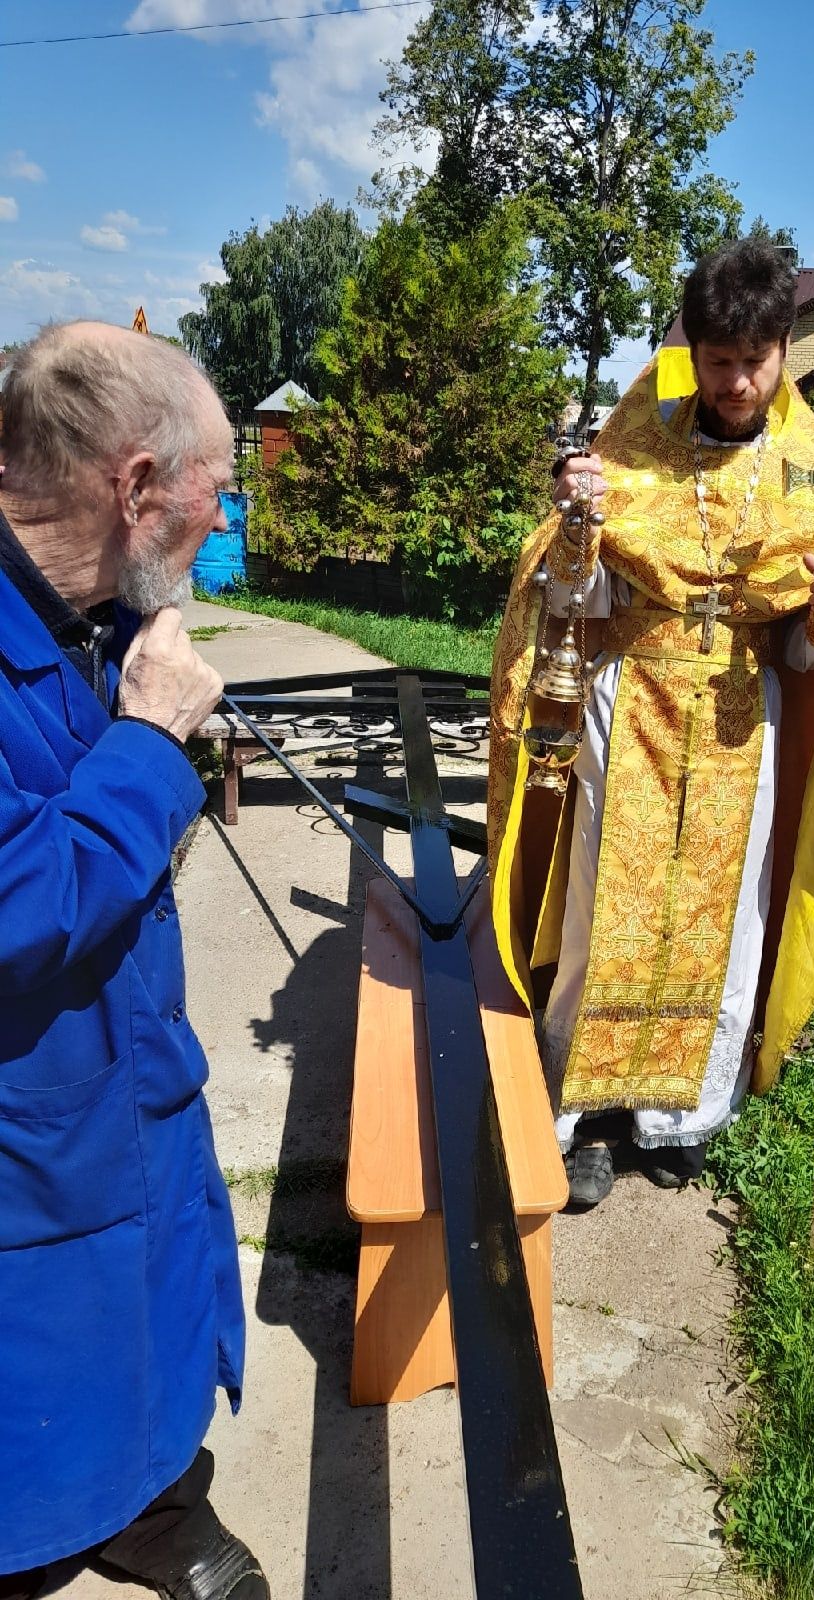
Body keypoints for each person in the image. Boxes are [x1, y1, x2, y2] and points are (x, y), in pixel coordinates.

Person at [488, 238, 814, 1208]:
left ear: (785, 345)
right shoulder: (632, 445)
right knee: (601, 914)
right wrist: (581, 529)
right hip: (626, 710)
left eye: (758, 359)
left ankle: (681, 1116)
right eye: (720, 361)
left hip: (743, 724)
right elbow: (574, 604)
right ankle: (582, 1117)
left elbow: (808, 655)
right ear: (693, 352)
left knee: (725, 922)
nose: (740, 381)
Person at [0, 324, 267, 1600]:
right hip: (28, 1122)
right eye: (215, 489)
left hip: (123, 1069)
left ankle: (154, 1505)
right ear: (135, 483)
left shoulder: (83, 606)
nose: (222, 526)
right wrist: (152, 743)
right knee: (40, 1359)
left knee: (148, 1301)